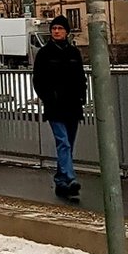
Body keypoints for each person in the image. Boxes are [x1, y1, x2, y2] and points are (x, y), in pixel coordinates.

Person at [32, 15, 86, 201]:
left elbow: (81, 77)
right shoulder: (44, 53)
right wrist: (48, 97)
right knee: (63, 142)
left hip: (73, 106)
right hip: (55, 107)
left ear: (66, 32)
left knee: (68, 144)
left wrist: (82, 96)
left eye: (60, 28)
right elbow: (38, 80)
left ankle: (61, 180)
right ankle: (70, 178)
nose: (56, 31)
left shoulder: (74, 52)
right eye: (54, 28)